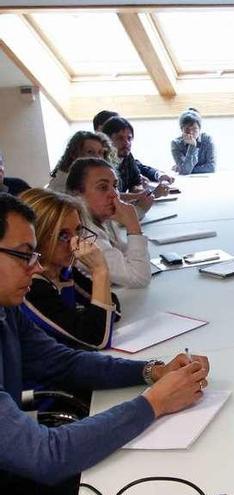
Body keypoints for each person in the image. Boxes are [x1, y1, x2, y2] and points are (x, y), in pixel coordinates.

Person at [0, 192, 209, 492]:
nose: (36, 267)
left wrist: (151, 371)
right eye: (24, 254)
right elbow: (46, 456)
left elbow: (65, 362)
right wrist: (154, 403)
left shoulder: (7, 308)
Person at [19, 188, 119, 350]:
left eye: (78, 231)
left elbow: (113, 310)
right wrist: (100, 271)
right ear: (36, 238)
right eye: (63, 236)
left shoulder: (61, 270)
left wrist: (88, 318)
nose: (75, 244)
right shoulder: (31, 287)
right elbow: (97, 339)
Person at [66, 158, 151, 289]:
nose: (114, 194)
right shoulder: (84, 235)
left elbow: (125, 253)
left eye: (115, 186)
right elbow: (139, 278)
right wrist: (133, 226)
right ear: (77, 195)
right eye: (103, 187)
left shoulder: (103, 220)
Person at [102, 116, 173, 207]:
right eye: (120, 138)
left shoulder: (127, 157)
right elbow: (109, 197)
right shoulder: (102, 164)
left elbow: (136, 184)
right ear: (107, 141)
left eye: (129, 138)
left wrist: (142, 192)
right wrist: (150, 194)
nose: (127, 143)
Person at [47, 131, 115, 193]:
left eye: (100, 152)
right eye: (90, 152)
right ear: (74, 154)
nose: (98, 158)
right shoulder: (61, 187)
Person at [170, 108, 216, 175]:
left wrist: (185, 169)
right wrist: (192, 146)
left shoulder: (207, 139)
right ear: (181, 130)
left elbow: (212, 167)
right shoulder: (176, 143)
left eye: (194, 129)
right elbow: (185, 171)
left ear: (200, 129)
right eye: (187, 129)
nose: (191, 132)